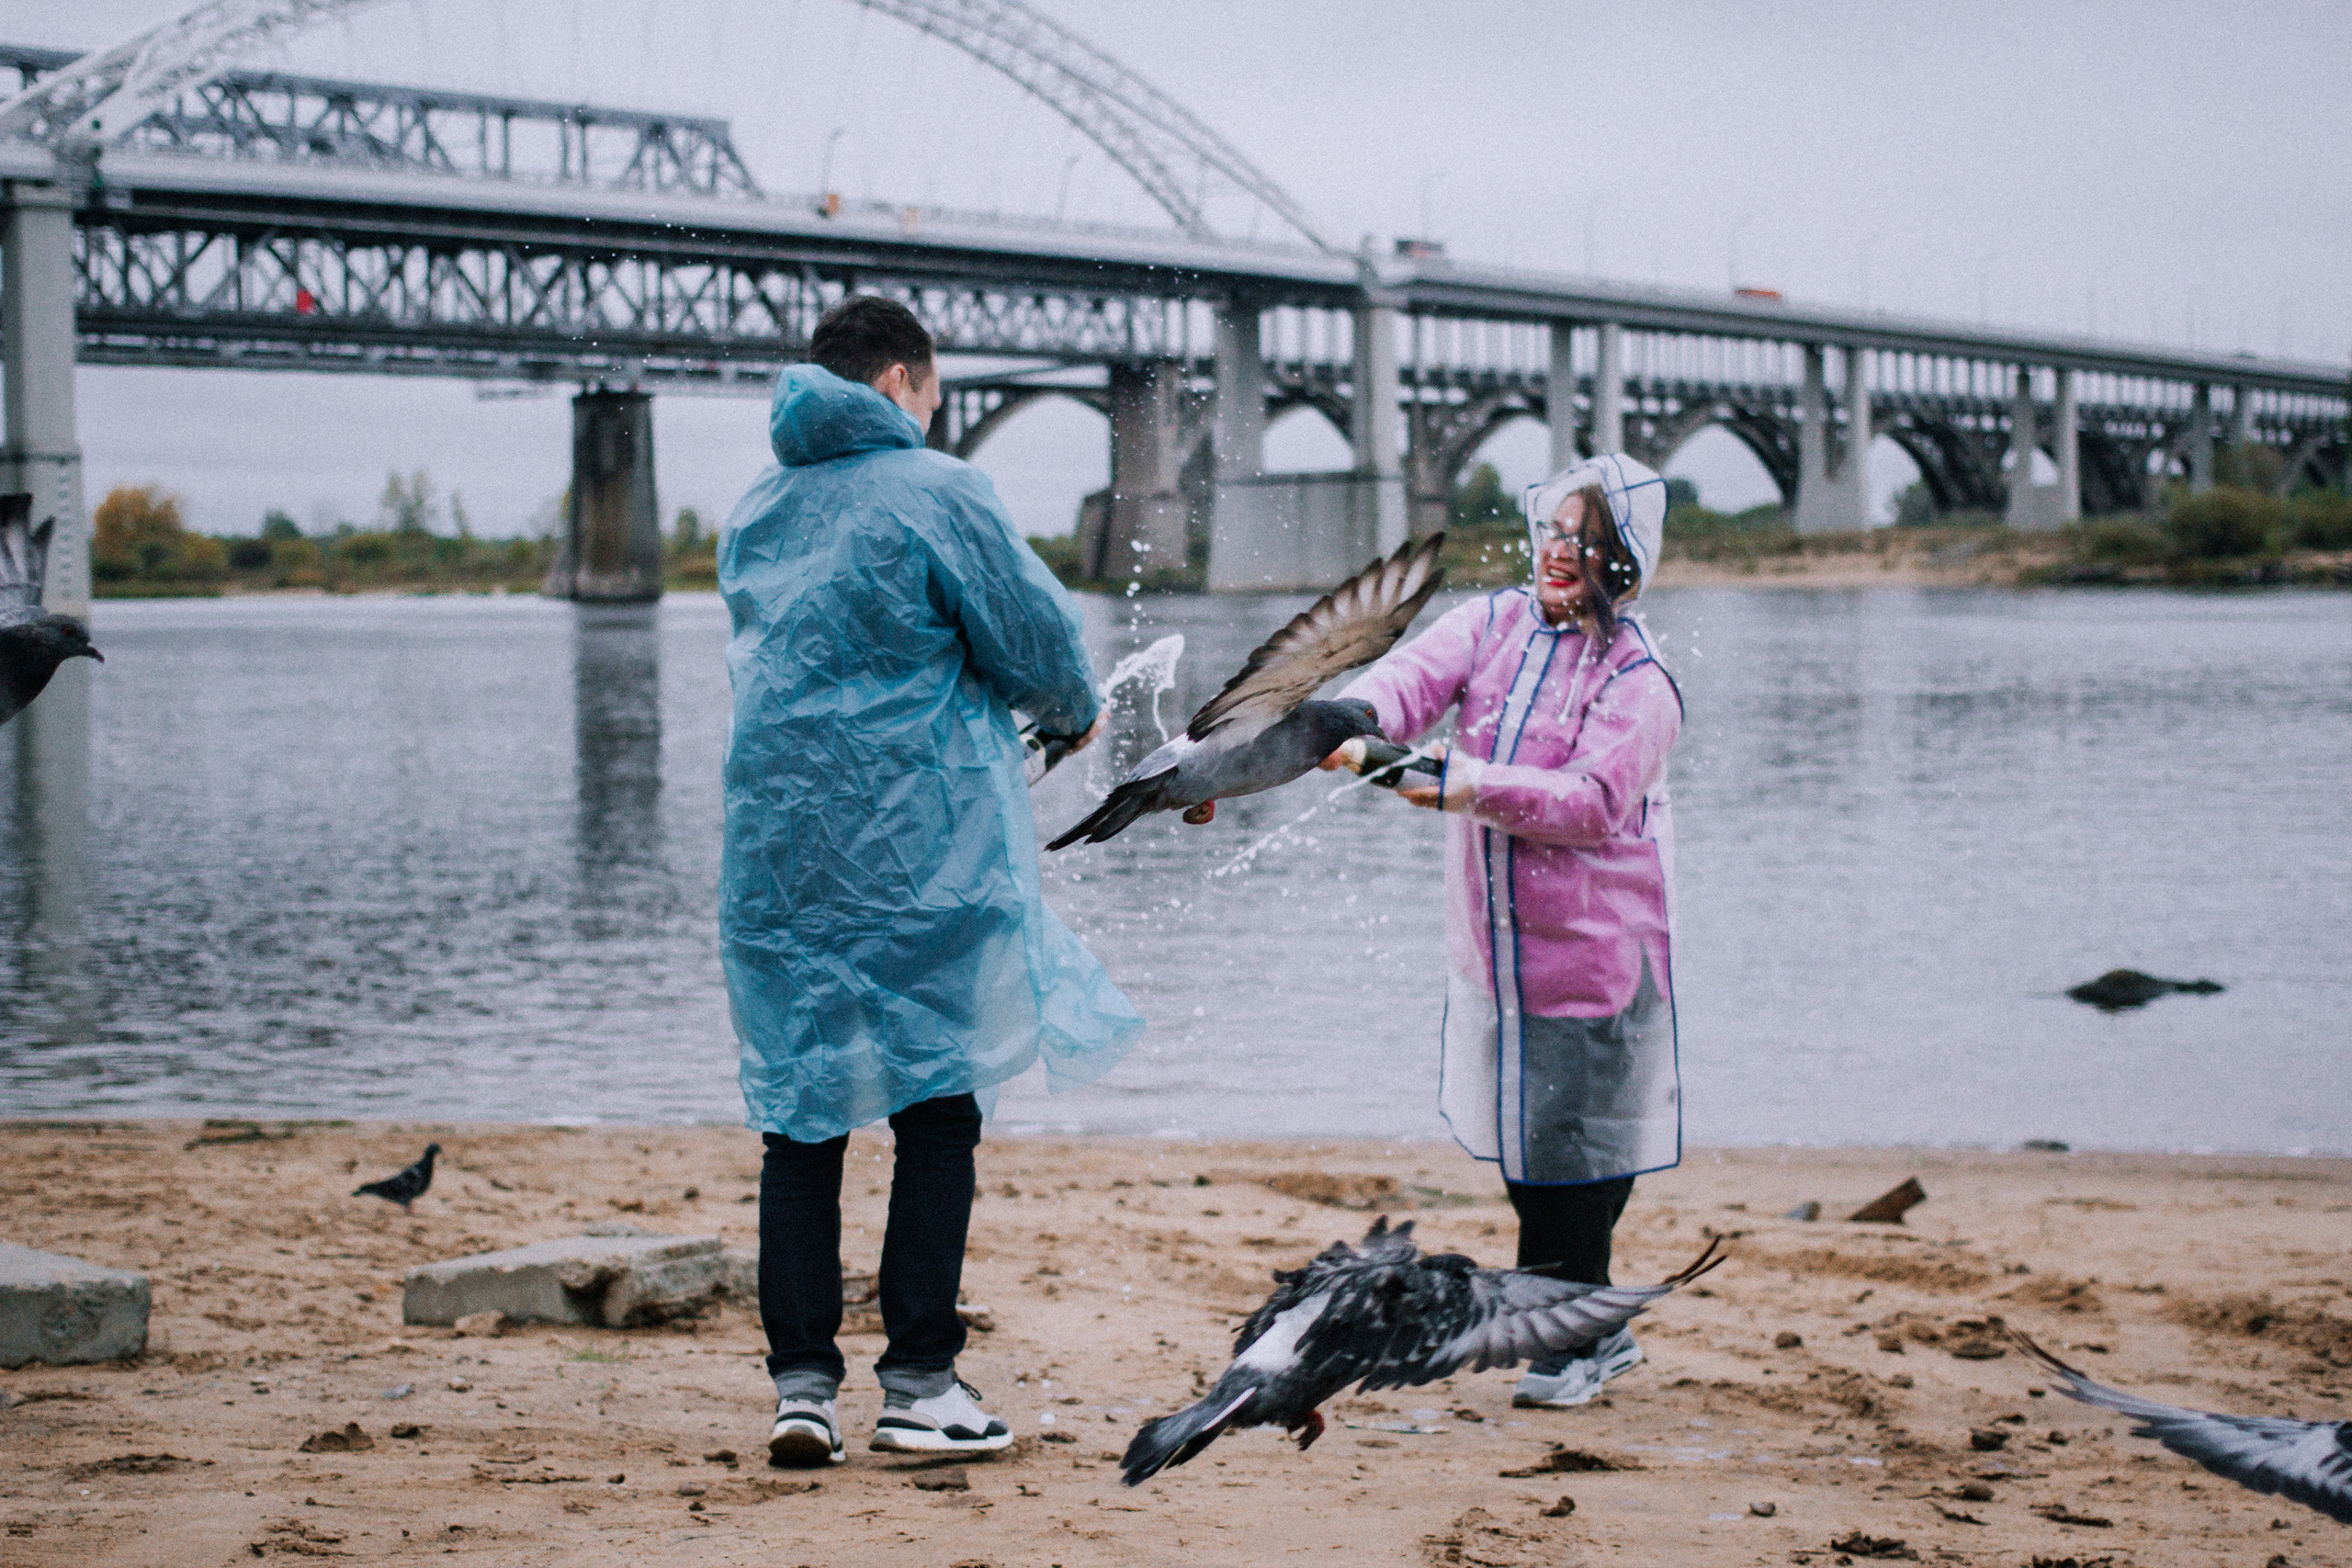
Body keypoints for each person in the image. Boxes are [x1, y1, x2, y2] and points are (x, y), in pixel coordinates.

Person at [718, 295, 1144, 1465]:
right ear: (901, 380)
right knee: (938, 1109)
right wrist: (1072, 711)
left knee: (800, 1117)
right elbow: (1030, 636)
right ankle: (919, 1384)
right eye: (935, 389)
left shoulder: (756, 508)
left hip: (780, 856)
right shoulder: (939, 489)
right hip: (921, 849)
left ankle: (802, 1391)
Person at [1330, 452, 1682, 1408]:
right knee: (1534, 1157)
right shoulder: (1490, 624)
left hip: (1596, 959)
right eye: (1555, 530)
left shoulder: (1640, 678)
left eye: (1587, 539)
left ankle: (1571, 1343)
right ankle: (1595, 1321)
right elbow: (1407, 682)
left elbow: (1591, 802)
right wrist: (1351, 719)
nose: (1560, 551)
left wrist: (1460, 781)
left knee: (1573, 1158)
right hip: (1497, 955)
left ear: (1624, 561)